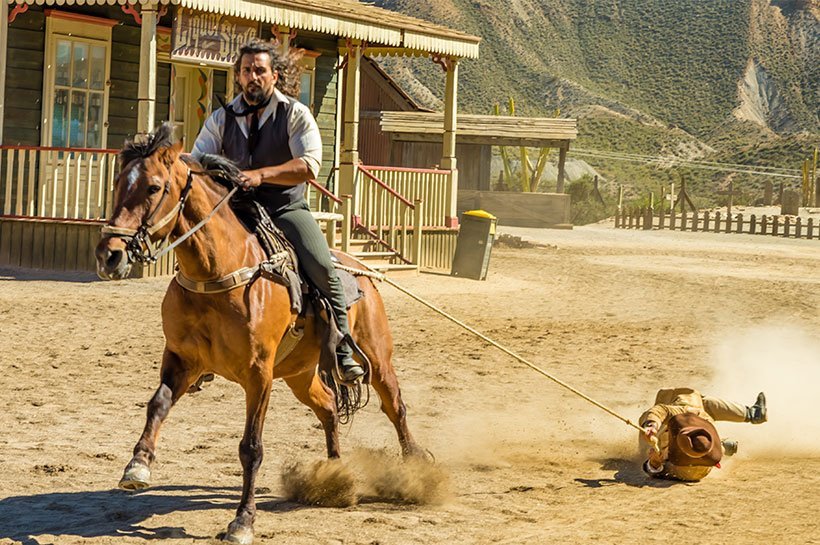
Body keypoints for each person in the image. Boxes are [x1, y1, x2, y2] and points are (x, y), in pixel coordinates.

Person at [192, 39, 364, 383]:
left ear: (274, 75)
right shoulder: (221, 119)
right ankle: (196, 352)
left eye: (259, 70)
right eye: (246, 70)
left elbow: (309, 164)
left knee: (321, 267)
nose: (252, 76)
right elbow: (197, 162)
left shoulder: (295, 114)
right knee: (197, 261)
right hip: (235, 211)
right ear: (238, 77)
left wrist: (261, 175)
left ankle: (343, 349)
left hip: (285, 207)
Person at [639, 387, 767, 481]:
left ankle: (727, 441)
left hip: (673, 440)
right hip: (707, 447)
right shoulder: (704, 427)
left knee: (695, 401)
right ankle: (749, 416)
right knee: (703, 404)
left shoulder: (677, 467)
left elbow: (660, 410)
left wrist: (651, 425)